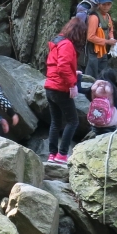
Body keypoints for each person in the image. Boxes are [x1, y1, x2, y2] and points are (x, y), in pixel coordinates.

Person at [44, 17, 87, 164]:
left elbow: (57, 66)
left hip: (50, 86)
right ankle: (62, 154)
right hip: (60, 88)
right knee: (72, 121)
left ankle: (52, 154)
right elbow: (62, 67)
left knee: (56, 122)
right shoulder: (67, 45)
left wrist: (74, 72)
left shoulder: (57, 43)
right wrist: (72, 85)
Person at [80, 68, 117, 135]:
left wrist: (78, 78)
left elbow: (82, 90)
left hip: (95, 122)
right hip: (109, 124)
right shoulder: (112, 89)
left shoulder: (95, 87)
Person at [84, 0, 116, 78]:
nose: (106, 7)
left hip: (103, 49)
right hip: (93, 49)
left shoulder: (108, 16)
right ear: (99, 5)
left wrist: (112, 39)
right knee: (91, 73)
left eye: (108, 4)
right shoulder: (94, 17)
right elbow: (90, 37)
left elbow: (110, 30)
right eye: (104, 4)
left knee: (103, 72)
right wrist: (107, 41)